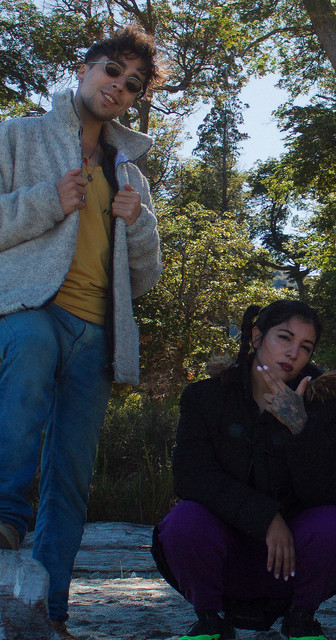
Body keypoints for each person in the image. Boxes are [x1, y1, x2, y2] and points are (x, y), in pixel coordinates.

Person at [0, 27, 163, 638]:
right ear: (84, 68)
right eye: (111, 70)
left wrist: (138, 223)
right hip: (30, 307)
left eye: (132, 84)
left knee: (70, 475)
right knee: (29, 353)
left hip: (98, 335)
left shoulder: (131, 174)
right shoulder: (17, 136)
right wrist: (49, 199)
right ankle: (4, 516)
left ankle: (51, 613)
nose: (118, 86)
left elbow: (144, 278)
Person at [152, 300, 336, 640]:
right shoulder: (205, 397)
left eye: (305, 347)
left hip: (291, 561)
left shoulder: (327, 402)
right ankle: (210, 621)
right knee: (183, 521)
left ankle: (301, 620)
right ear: (257, 336)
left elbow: (332, 491)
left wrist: (300, 427)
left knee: (335, 526)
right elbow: (191, 476)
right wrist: (265, 518)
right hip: (226, 555)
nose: (293, 353)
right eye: (284, 338)